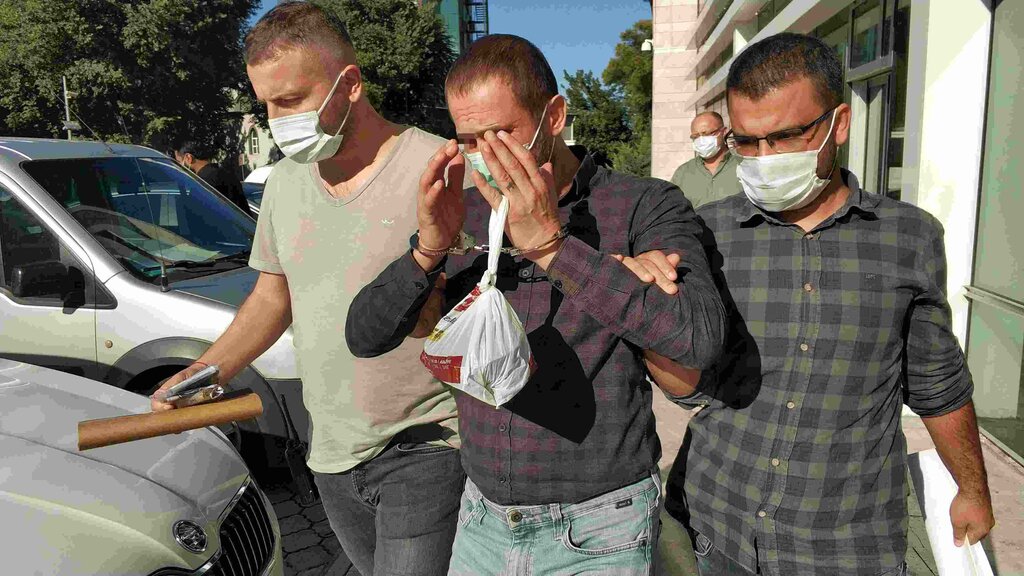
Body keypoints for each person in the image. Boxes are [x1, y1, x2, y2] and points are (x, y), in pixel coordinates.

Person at [345, 34, 727, 576]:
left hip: (601, 524)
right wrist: (427, 250)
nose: (487, 156)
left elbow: (697, 340)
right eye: (469, 140)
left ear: (554, 116)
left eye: (502, 134)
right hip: (482, 517)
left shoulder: (641, 204)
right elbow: (365, 335)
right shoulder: (466, 214)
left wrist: (554, 249)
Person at [639, 33, 994, 576]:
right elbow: (687, 387)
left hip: (846, 542)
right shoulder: (708, 233)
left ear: (839, 124)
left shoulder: (909, 238)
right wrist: (647, 309)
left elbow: (937, 383)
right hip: (718, 525)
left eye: (784, 137)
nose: (764, 159)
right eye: (746, 141)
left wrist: (972, 488)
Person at [151, 3, 466, 575]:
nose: (277, 119)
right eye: (267, 104)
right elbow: (273, 298)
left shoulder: (437, 167)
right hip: (330, 453)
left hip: (427, 445)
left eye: (292, 99)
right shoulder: (285, 184)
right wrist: (204, 372)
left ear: (350, 84)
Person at [669, 111, 739, 209]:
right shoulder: (683, 173)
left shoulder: (743, 164)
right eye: (695, 136)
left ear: (723, 132)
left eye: (706, 134)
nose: (701, 140)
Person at [174, 141, 253, 216]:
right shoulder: (227, 174)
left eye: (179, 162)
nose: (180, 166)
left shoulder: (201, 183)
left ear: (188, 157)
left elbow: (197, 214)